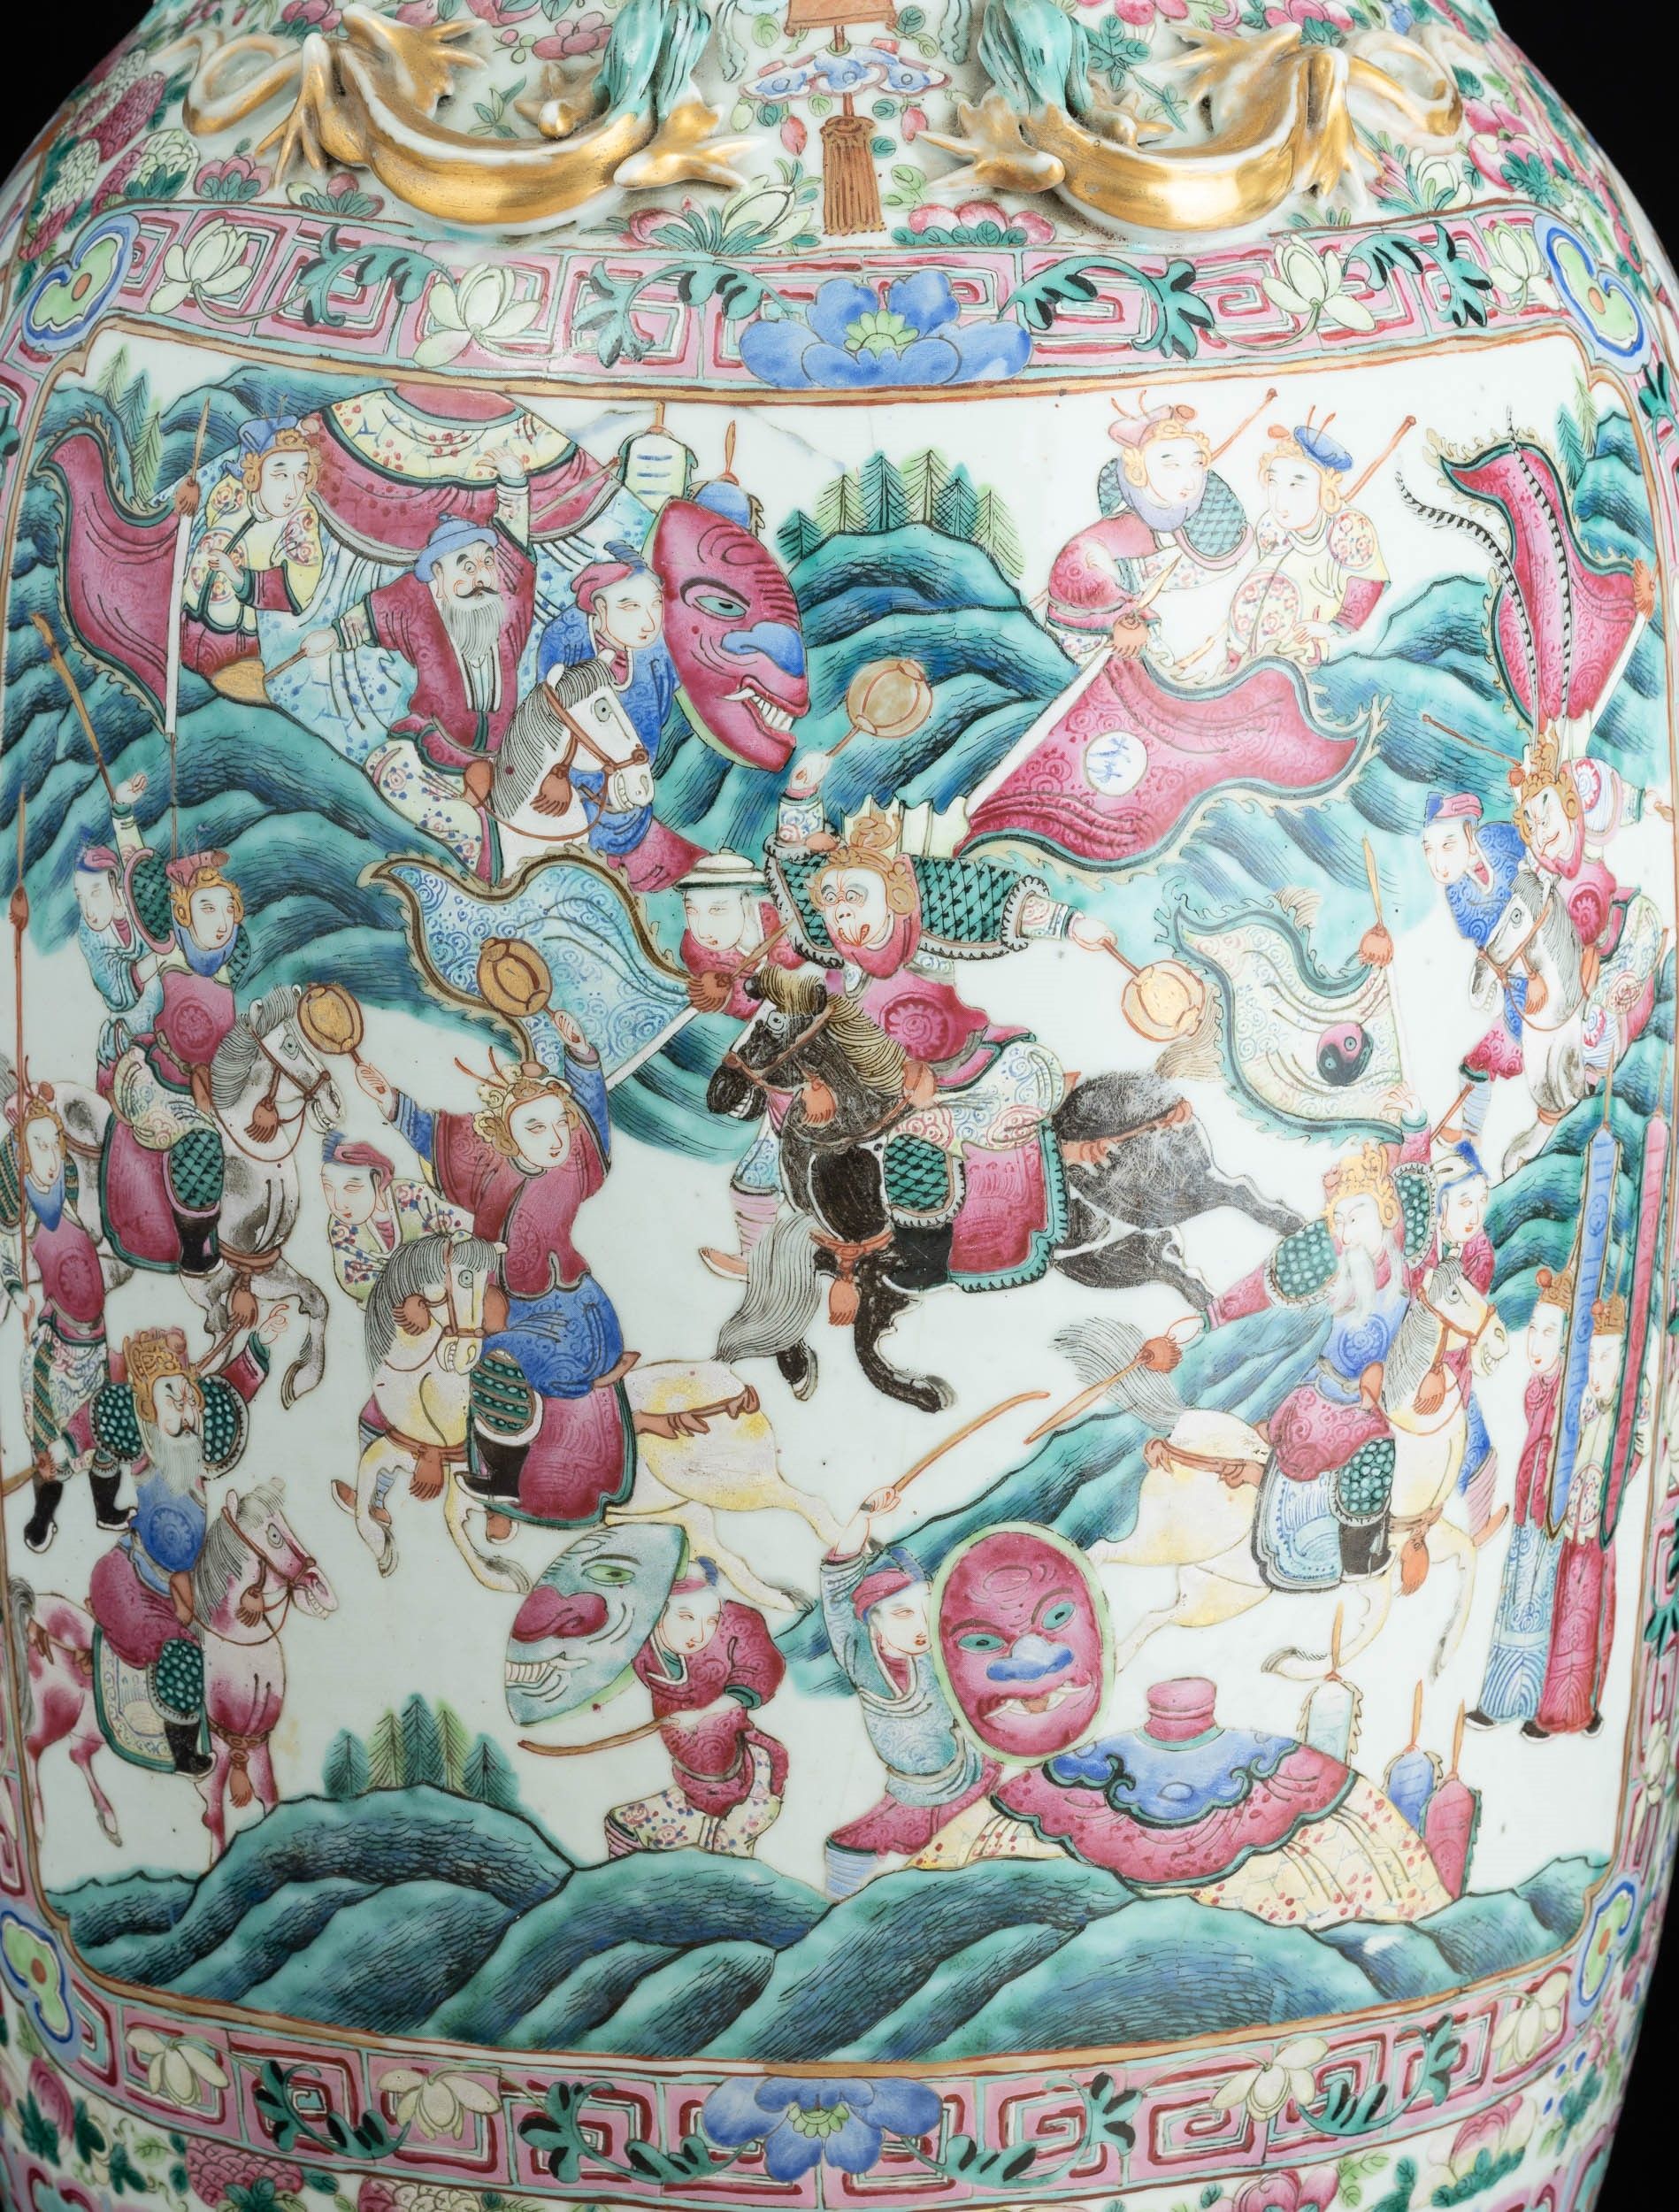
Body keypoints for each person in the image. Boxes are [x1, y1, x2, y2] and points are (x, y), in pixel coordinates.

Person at [768, 795, 1118, 1287]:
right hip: (874, 1081)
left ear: (894, 896)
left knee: (921, 1143)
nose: (843, 916)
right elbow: (801, 864)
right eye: (834, 903)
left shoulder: (921, 928)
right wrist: (801, 801)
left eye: (857, 898)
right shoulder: (840, 957)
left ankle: (932, 1257)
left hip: (961, 1071)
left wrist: (1070, 923)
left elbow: (982, 900)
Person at [356, 1016, 685, 1531]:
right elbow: (437, 1137)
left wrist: (580, 1057)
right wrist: (390, 1102)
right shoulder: (487, 1167)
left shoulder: (572, 1167)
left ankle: (503, 1479)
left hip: (570, 1311)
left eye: (559, 1124)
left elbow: (592, 1121)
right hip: (501, 1299)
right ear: (506, 1136)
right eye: (535, 1127)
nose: (554, 1139)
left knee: (492, 1361)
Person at [304, 457, 535, 879]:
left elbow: (515, 542)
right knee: (391, 779)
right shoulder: (416, 606)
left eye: (486, 563)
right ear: (437, 579)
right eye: (465, 567)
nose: (480, 577)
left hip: (499, 765)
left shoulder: (509, 608)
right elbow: (372, 615)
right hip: (429, 755)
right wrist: (333, 636)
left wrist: (514, 483)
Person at [85, 1315, 286, 1775]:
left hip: (184, 1582)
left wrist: (259, 1343)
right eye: (169, 1397)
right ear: (147, 1412)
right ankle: (182, 1753)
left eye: (187, 1395)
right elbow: (93, 1439)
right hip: (134, 1583)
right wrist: (71, 1465)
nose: (184, 1406)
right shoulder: (145, 1451)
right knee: (182, 1653)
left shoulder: (193, 1453)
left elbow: (236, 1385)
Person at [817, 1492, 997, 1897]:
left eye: (926, 1608)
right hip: (913, 1795)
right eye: (902, 1614)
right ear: (872, 1625)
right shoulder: (863, 1660)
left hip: (971, 1777)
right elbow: (837, 1588)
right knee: (848, 1853)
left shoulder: (941, 1652)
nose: (920, 1625)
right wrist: (863, 1516)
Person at [109, 849, 252, 1275]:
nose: (220, 921)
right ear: (184, 914)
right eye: (207, 908)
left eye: (226, 908)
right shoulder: (168, 957)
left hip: (217, 1080)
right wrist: (125, 819)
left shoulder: (229, 964)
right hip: (162, 1079)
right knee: (200, 1142)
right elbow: (143, 880)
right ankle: (195, 1245)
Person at [1044, 399, 1254, 687]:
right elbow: (1074, 569)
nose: (1189, 479)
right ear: (1138, 470)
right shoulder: (1112, 530)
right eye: (1171, 465)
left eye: (1196, 463)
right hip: (1086, 636)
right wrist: (1125, 617)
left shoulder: (1185, 519)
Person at [0, 1089, 122, 1554]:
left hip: (96, 1340)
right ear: (22, 1155)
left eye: (55, 1144)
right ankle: (40, 1519)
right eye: (39, 1146)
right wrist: (18, 1293)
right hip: (59, 1350)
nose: (50, 1158)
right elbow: (8, 1261)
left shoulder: (69, 1199)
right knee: (52, 1442)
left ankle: (106, 1509)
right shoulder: (25, 1220)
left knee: (103, 1425)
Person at [677, 851, 806, 1279]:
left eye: (717, 910)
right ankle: (760, 1259)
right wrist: (718, 992)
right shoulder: (700, 950)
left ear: (749, 902)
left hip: (818, 1059)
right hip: (778, 1068)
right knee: (758, 1174)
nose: (704, 927)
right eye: (692, 911)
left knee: (774, 1169)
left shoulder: (790, 930)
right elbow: (735, 998)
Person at [604, 1558, 788, 1858]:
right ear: (658, 1613)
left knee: (726, 1859)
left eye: (711, 1621)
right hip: (690, 1786)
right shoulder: (642, 1639)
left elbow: (760, 1667)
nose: (700, 1634)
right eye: (686, 1617)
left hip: (748, 1781)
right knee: (622, 1827)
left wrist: (703, 1713)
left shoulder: (734, 1628)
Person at [1532, 1292, 1644, 1738]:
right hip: (1572, 1532)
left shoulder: (1624, 1412)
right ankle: (1551, 1710)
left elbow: (1633, 1454)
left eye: (1606, 1359)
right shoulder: (1585, 1404)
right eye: (1592, 1358)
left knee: (1595, 1617)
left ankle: (1586, 1708)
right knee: (1563, 1614)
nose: (1597, 1371)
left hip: (1599, 1532)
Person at [1467, 1267, 1571, 1731]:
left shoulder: (1566, 1393)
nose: (1536, 1343)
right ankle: (1497, 1701)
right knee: (1514, 1597)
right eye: (1534, 1330)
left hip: (1551, 1509)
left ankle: (1527, 1704)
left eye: (1549, 1333)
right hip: (1529, 1503)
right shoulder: (1538, 1386)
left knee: (1535, 1603)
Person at [1226, 419, 1387, 671]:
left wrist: (1331, 629)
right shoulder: (1271, 526)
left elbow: (1367, 587)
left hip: (1304, 657)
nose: (1280, 499)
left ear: (1324, 489)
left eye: (1296, 484)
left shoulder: (1348, 528)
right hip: (1248, 652)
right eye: (1273, 482)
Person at [182, 415, 325, 687]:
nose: (292, 491)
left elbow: (299, 585)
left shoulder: (301, 519)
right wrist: (188, 497)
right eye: (281, 475)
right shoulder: (231, 492)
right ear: (255, 473)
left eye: (301, 475)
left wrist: (237, 577)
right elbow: (209, 522)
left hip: (232, 641)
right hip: (187, 619)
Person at [1421, 790, 1529, 1142]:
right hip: (1513, 976)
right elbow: (1485, 943)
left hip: (1547, 945)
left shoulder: (1502, 839)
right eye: (1428, 850)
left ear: (1470, 834)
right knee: (1476, 1062)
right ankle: (1471, 1135)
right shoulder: (1457, 895)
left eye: (1446, 846)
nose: (1438, 863)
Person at [71, 774, 163, 1088]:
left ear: (117, 887)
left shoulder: (134, 897)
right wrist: (165, 955)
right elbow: (119, 991)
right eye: (81, 897)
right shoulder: (90, 935)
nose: (88, 908)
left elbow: (135, 862)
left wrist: (122, 808)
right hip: (130, 1034)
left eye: (95, 892)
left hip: (169, 1015)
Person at [319, 1131, 468, 1305]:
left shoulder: (415, 1197)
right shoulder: (340, 1227)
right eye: (328, 1187)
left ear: (378, 1180)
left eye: (351, 1188)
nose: (338, 1204)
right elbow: (356, 1284)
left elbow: (465, 1235)